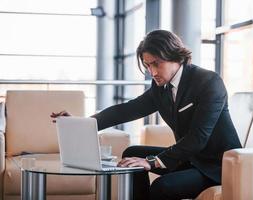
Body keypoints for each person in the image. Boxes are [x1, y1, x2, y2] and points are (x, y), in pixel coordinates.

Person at [51, 30, 241, 200]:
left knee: (162, 187)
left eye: (156, 64)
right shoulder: (160, 87)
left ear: (174, 56)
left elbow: (198, 138)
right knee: (131, 154)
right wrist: (82, 123)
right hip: (189, 159)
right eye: (147, 65)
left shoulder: (208, 82)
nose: (152, 72)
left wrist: (151, 161)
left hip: (216, 166)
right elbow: (127, 110)